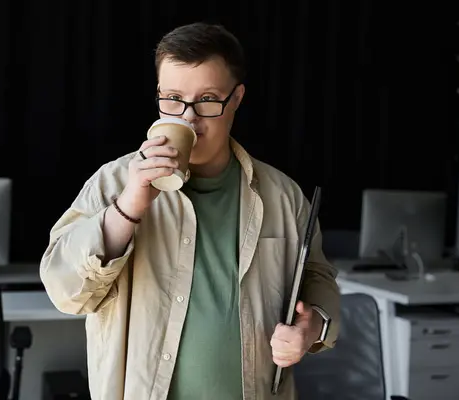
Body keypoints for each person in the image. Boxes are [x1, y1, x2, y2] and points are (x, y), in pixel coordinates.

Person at [40, 22, 340, 400]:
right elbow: (64, 291)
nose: (188, 117)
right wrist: (129, 206)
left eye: (208, 99)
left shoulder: (284, 195)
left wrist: (311, 330)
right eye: (173, 98)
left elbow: (318, 280)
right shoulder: (115, 182)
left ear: (237, 99)